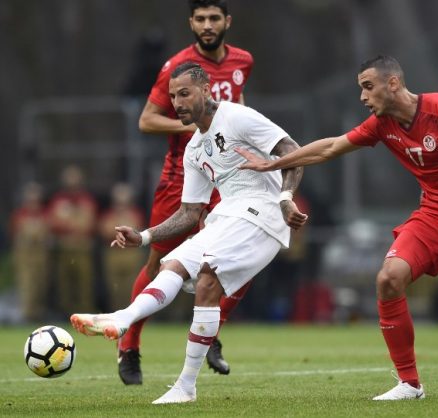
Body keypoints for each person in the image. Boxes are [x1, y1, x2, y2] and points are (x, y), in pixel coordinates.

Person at [236, 55, 438, 400]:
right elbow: (331, 147)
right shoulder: (381, 124)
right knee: (388, 278)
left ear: (393, 83)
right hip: (434, 215)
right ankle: (410, 384)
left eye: (368, 87)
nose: (363, 97)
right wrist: (273, 164)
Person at [70, 61, 307, 404]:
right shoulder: (194, 148)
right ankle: (125, 319)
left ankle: (183, 385)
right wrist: (145, 236)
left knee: (208, 278)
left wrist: (285, 198)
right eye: (172, 97)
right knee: (172, 265)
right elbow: (189, 212)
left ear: (206, 89)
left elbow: (292, 150)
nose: (177, 103)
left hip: (264, 213)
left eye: (184, 94)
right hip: (229, 213)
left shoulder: (237, 116)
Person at [118, 0, 254, 384]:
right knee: (156, 264)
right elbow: (147, 120)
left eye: (214, 18)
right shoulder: (176, 67)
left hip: (226, 176)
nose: (208, 25)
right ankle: (129, 345)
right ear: (191, 23)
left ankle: (211, 334)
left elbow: (237, 105)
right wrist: (196, 126)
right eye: (200, 19)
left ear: (227, 21)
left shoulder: (243, 61)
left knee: (244, 256)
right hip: (182, 176)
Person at [47, 165, 98, 315]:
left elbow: (90, 223)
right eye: (69, 177)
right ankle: (66, 312)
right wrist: (75, 223)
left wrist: (68, 221)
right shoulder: (58, 199)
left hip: (82, 248)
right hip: (64, 247)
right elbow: (53, 222)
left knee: (84, 282)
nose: (72, 180)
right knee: (64, 282)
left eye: (75, 177)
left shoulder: (86, 199)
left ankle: (85, 311)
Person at [99, 183, 146, 311]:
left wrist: (118, 227)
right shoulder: (108, 214)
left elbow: (137, 230)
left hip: (131, 253)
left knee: (132, 285)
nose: (121, 204)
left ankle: (133, 311)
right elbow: (105, 231)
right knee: (114, 287)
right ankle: (116, 311)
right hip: (113, 253)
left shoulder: (135, 213)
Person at [11, 182, 50, 322]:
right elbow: (20, 233)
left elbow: (46, 231)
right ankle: (27, 314)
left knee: (41, 283)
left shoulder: (44, 214)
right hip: (26, 254)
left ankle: (39, 313)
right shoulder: (20, 214)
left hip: (41, 253)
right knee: (27, 284)